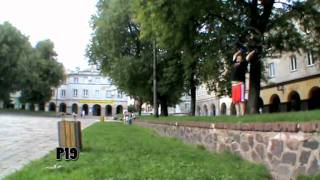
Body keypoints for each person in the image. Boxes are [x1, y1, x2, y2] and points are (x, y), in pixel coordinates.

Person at [231, 47, 255, 116]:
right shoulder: (234, 63)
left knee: (241, 100)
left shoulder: (244, 64)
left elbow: (248, 57)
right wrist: (240, 51)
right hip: (234, 85)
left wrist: (253, 51)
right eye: (237, 58)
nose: (238, 58)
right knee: (235, 101)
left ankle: (242, 114)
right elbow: (234, 55)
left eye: (239, 57)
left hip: (240, 84)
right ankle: (238, 114)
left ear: (241, 59)